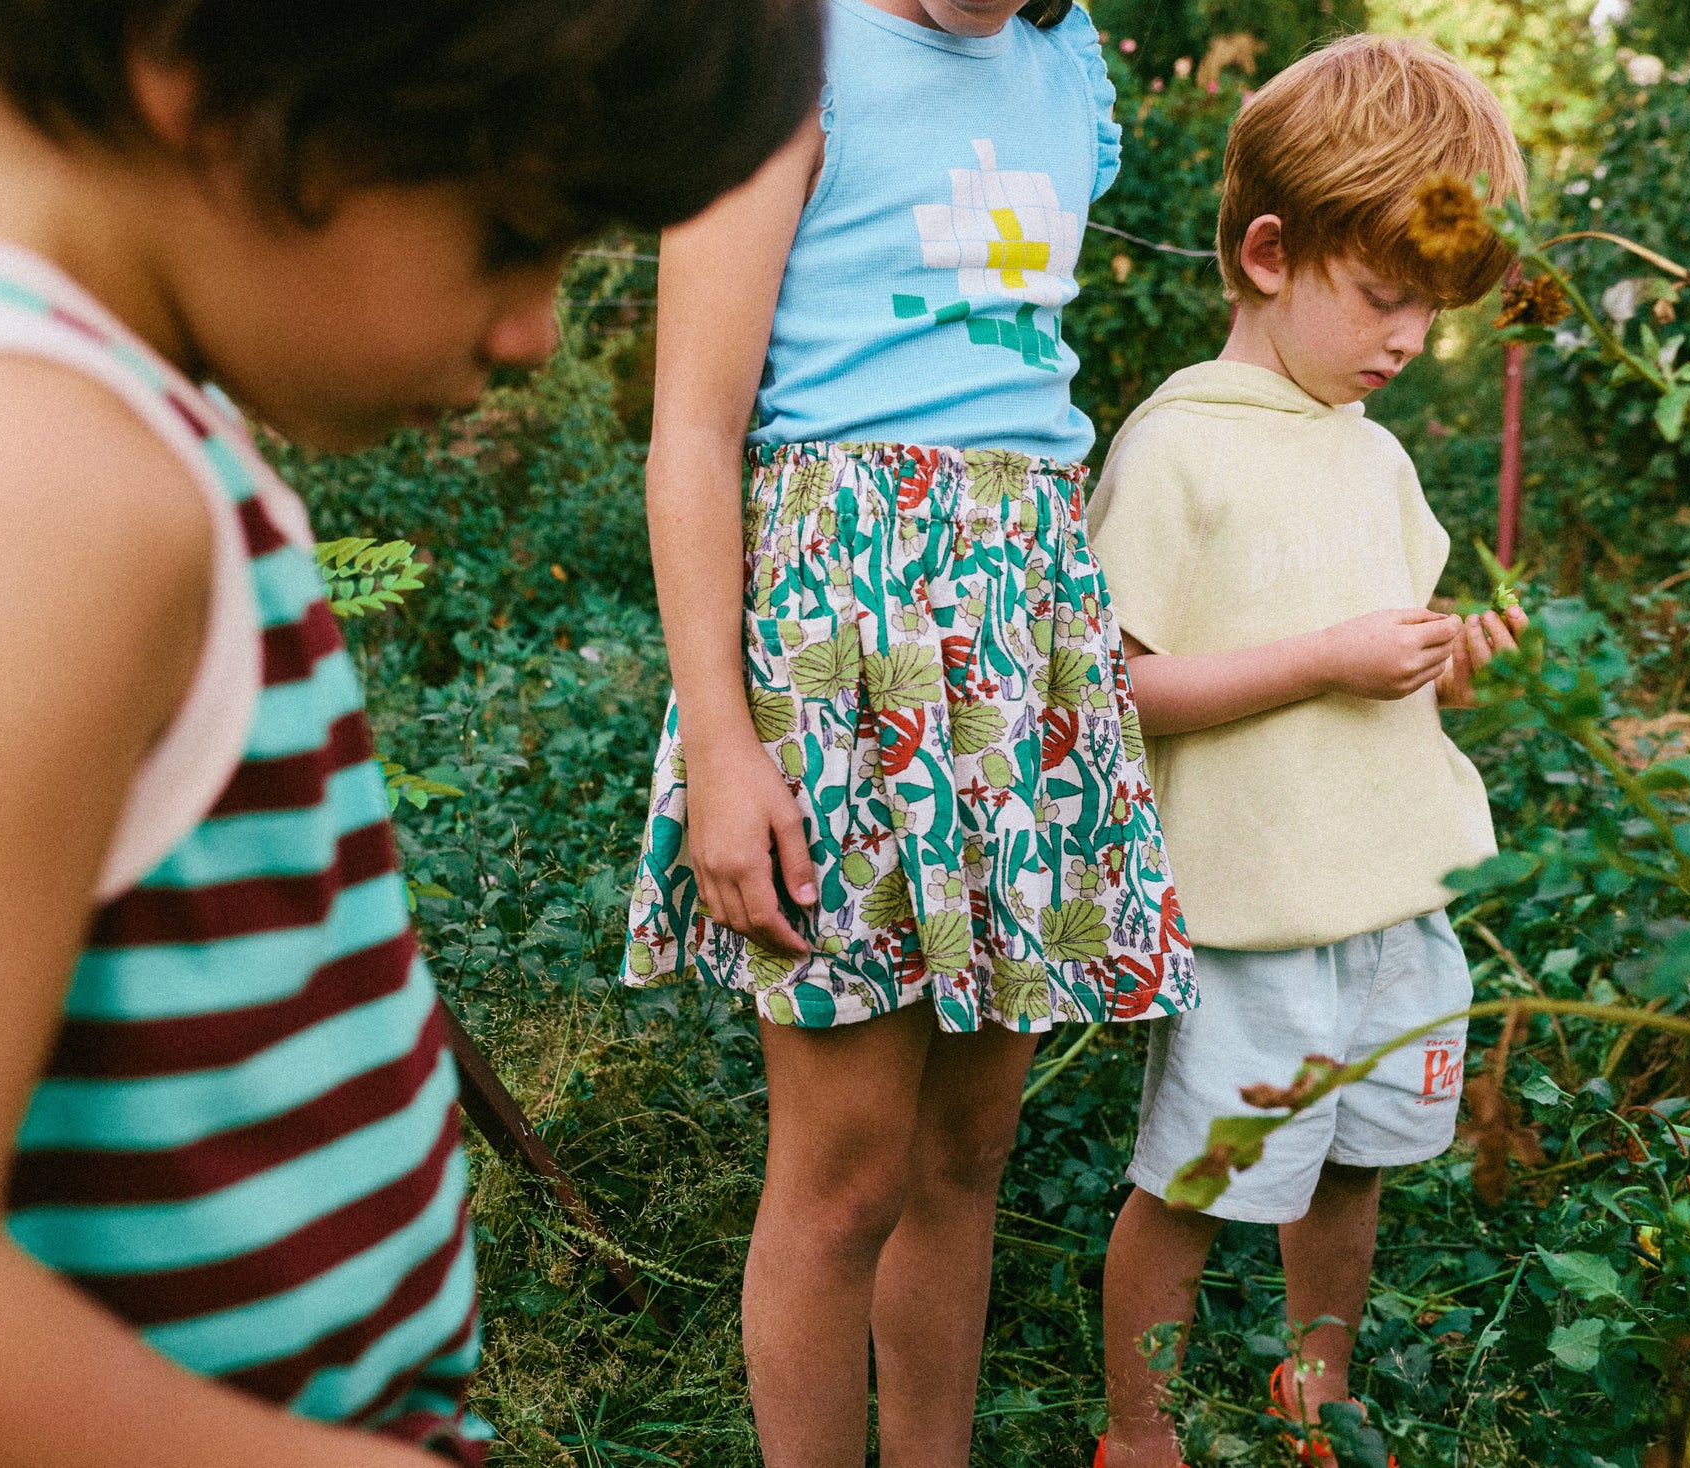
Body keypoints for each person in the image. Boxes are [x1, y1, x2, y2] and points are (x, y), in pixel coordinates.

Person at [0, 3, 822, 1465]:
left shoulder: (69, 433)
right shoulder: (19, 487)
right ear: (203, 62)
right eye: (512, 230)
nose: (534, 333)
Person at [620, 1, 1196, 1462]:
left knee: (965, 1152)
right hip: (839, 644)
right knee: (846, 1175)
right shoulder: (789, 54)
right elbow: (692, 428)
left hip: (1021, 630)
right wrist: (723, 747)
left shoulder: (1063, 70)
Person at [1082, 33, 1529, 1468]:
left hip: (1388, 888)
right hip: (1259, 905)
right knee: (1203, 1183)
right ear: (1271, 254)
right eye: (1386, 298)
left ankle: (1315, 1393)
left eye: (1430, 315)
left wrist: (1448, 658)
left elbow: (1386, 655)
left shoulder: (1371, 450)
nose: (1407, 342)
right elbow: (1117, 694)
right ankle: (1137, 1429)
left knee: (1357, 1168)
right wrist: (1326, 662)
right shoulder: (1180, 447)